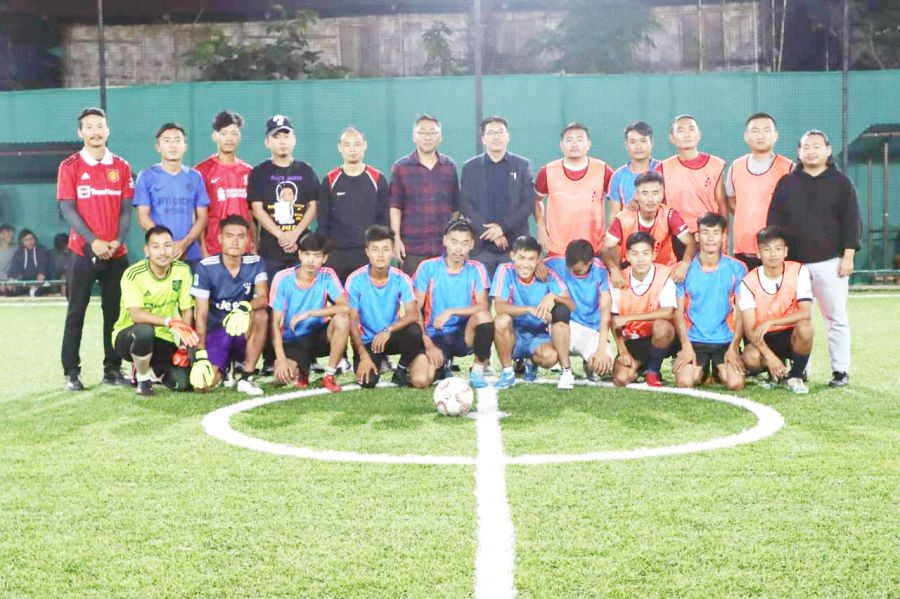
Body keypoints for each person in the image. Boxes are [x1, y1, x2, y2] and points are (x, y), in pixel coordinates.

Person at [767, 129, 861, 388]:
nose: (811, 150)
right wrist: (779, 259)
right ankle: (800, 370)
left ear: (828, 150)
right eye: (806, 146)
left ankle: (840, 371)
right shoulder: (787, 182)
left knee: (836, 318)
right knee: (799, 320)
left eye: (816, 146)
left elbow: (852, 221)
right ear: (799, 152)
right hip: (795, 265)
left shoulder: (841, 183)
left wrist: (848, 256)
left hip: (831, 262)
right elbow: (774, 221)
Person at [58, 107, 134, 391]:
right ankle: (71, 373)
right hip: (81, 252)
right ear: (81, 132)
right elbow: (67, 209)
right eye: (89, 127)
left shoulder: (122, 166)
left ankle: (112, 369)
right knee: (76, 311)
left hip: (116, 253)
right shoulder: (70, 166)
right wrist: (94, 241)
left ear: (108, 129)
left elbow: (127, 210)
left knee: (114, 313)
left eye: (99, 126)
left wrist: (115, 241)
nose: (95, 131)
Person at [248, 114, 320, 370]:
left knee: (304, 301)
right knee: (272, 302)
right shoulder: (259, 172)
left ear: (294, 139)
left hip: (301, 249)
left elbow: (313, 206)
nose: (282, 142)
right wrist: (280, 235)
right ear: (268, 142)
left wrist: (296, 235)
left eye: (286, 135)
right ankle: (270, 357)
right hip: (272, 249)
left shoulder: (305, 170)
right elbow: (257, 208)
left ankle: (306, 353)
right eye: (276, 137)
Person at [111, 225, 197, 396]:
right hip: (129, 336)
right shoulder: (133, 274)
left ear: (174, 248)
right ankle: (142, 377)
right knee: (144, 332)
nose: (163, 252)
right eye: (156, 246)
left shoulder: (182, 271)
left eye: (167, 245)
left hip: (163, 338)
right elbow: (136, 315)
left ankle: (155, 371)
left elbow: (187, 309)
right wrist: (169, 321)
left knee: (183, 384)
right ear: (147, 250)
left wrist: (183, 343)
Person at [190, 215, 269, 396]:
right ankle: (225, 368)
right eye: (229, 236)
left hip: (243, 331)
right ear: (220, 239)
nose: (235, 241)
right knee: (203, 386)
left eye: (241, 236)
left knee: (261, 315)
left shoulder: (256, 263)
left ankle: (246, 377)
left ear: (248, 240)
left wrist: (244, 307)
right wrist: (201, 353)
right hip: (217, 332)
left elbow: (263, 298)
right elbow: (200, 314)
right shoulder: (205, 267)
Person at [346, 225, 431, 389]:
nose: (380, 255)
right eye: (375, 249)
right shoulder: (355, 280)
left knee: (414, 330)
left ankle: (401, 371)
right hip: (368, 342)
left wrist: (387, 330)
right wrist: (363, 356)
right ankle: (375, 360)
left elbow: (413, 314)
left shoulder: (401, 278)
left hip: (390, 336)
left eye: (385, 249)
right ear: (367, 252)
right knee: (368, 381)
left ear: (392, 252)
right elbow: (352, 323)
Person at [413, 218, 493, 388]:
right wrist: (428, 345)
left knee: (484, 316)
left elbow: (483, 306)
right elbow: (414, 310)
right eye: (454, 242)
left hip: (463, 335)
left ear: (472, 244)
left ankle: (478, 370)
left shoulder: (477, 269)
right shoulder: (427, 268)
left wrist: (451, 311)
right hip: (435, 336)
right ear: (445, 241)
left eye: (464, 243)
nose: (459, 248)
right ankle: (443, 364)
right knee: (420, 381)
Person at [672, 213, 747, 391]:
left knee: (735, 383)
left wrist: (734, 347)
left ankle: (717, 371)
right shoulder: (683, 271)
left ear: (723, 236)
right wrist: (685, 346)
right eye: (705, 233)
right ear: (697, 236)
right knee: (685, 382)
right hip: (694, 340)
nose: (711, 238)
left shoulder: (737, 268)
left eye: (716, 233)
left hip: (725, 340)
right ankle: (703, 371)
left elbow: (741, 312)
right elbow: (678, 313)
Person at [491, 235, 576, 390]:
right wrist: (528, 309)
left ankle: (531, 362)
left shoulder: (548, 276)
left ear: (538, 260)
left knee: (550, 357)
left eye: (531, 259)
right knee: (501, 320)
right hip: (513, 334)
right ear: (512, 256)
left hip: (538, 336)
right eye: (521, 258)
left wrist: (553, 296)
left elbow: (571, 305)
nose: (526, 264)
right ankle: (507, 372)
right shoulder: (504, 270)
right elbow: (499, 307)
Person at [738, 226, 814, 394]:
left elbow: (805, 313)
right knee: (750, 357)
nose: (773, 254)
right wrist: (770, 357)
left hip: (789, 333)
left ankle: (796, 375)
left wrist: (773, 321)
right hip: (764, 336)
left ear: (786, 251)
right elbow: (750, 330)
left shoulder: (799, 271)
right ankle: (775, 372)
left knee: (806, 327)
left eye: (778, 249)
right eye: (767, 249)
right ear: (758, 253)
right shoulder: (748, 282)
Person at [269, 232, 348, 392]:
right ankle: (302, 372)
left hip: (319, 336)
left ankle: (329, 375)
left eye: (317, 256)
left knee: (342, 319)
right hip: (294, 340)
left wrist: (310, 313)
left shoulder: (327, 275)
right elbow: (275, 324)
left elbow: (344, 306)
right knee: (283, 378)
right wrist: (281, 359)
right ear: (299, 254)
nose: (311, 260)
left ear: (324, 258)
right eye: (307, 255)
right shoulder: (283, 278)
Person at [458, 116, 534, 279]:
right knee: (481, 300)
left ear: (508, 136)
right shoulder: (470, 167)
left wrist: (502, 227)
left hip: (515, 246)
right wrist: (490, 231)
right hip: (481, 246)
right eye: (491, 133)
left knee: (513, 299)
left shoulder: (522, 165)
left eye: (500, 132)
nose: (496, 136)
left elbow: (528, 203)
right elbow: (465, 203)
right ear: (483, 139)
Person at [389, 114, 459, 277]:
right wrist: (396, 239)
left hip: (444, 248)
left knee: (443, 297)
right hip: (412, 247)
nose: (427, 137)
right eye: (422, 132)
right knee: (415, 299)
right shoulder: (401, 167)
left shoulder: (449, 166)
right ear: (414, 137)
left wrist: (452, 240)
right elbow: (395, 206)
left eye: (432, 132)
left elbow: (455, 208)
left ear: (439, 137)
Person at [134, 122, 210, 270]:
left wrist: (184, 243)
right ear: (158, 147)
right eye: (167, 141)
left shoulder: (195, 177)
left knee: (192, 294)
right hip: (158, 254)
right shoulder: (146, 176)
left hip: (191, 254)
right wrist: (166, 245)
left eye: (177, 140)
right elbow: (143, 218)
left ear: (185, 147)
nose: (172, 145)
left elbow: (202, 217)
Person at [318, 127, 390, 282]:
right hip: (337, 254)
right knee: (340, 303)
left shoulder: (377, 178)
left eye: (357, 144)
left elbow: (384, 220)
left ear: (365, 145)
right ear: (339, 147)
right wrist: (324, 251)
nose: (352, 150)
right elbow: (323, 221)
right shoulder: (330, 180)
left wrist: (380, 251)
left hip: (368, 253)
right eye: (347, 145)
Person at [603, 171, 695, 288]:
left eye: (655, 193)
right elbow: (605, 248)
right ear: (636, 195)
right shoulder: (623, 218)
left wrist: (685, 264)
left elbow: (690, 242)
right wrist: (614, 270)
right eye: (645, 193)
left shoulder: (670, 215)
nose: (650, 199)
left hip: (666, 272)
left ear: (662, 195)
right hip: (633, 271)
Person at [610, 232, 678, 388]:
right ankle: (641, 366)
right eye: (635, 254)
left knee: (662, 325)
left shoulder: (665, 274)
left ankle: (653, 371)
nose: (640, 259)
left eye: (645, 253)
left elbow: (668, 312)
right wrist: (623, 352)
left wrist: (629, 318)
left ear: (654, 254)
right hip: (634, 341)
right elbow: (614, 321)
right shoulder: (618, 279)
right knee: (621, 379)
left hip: (663, 337)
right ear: (627, 255)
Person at [726, 112, 793, 271]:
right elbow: (731, 199)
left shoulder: (789, 168)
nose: (761, 135)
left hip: (775, 251)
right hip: (744, 249)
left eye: (766, 130)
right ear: (746, 136)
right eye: (755, 131)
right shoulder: (736, 166)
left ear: (775, 135)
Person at [534, 122, 613, 257]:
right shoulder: (547, 171)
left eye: (580, 139)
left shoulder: (603, 170)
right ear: (561, 145)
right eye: (569, 140)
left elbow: (617, 204)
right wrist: (541, 228)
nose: (574, 144)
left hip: (593, 248)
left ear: (588, 144)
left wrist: (611, 233)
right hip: (557, 249)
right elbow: (535, 201)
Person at [545, 239, 613, 382]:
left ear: (591, 262)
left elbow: (606, 311)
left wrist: (601, 349)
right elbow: (533, 261)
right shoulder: (556, 263)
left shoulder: (600, 271)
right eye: (569, 267)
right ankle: (566, 370)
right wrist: (538, 265)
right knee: (545, 354)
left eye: (576, 270)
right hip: (565, 327)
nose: (571, 272)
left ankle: (588, 363)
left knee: (602, 366)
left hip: (591, 331)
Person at [657, 115, 727, 242]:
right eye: (680, 130)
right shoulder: (663, 168)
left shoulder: (715, 164)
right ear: (672, 138)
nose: (686, 134)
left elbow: (722, 203)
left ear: (699, 134)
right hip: (676, 236)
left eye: (691, 129)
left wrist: (725, 235)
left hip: (708, 235)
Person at [195, 110, 254, 257]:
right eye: (224, 133)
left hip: (244, 249)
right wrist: (202, 247)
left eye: (234, 133)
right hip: (214, 248)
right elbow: (198, 215)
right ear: (214, 136)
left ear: (239, 136)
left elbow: (252, 214)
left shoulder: (248, 171)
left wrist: (254, 243)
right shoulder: (202, 170)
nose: (229, 138)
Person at [608, 120, 662, 208]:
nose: (638, 147)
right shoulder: (618, 176)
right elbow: (615, 214)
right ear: (626, 145)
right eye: (633, 142)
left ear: (651, 143)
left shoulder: (663, 169)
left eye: (643, 141)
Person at [8, 229, 51, 297]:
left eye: (31, 239)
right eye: (26, 240)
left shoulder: (41, 251)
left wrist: (35, 286)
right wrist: (12, 281)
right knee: (11, 290)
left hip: (40, 283)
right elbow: (13, 272)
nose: (29, 242)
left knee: (35, 292)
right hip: (23, 284)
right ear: (21, 241)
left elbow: (42, 274)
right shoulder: (19, 253)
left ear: (35, 239)